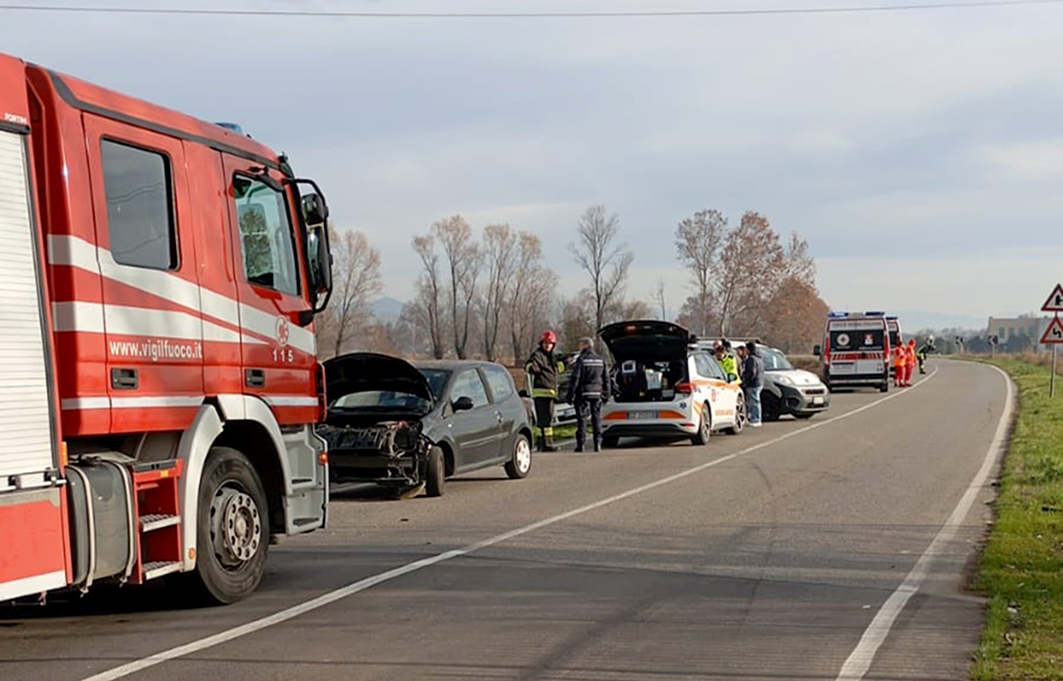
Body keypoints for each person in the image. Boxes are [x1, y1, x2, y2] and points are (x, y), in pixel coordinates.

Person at [525, 330, 566, 452]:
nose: (547, 345)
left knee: (545, 420)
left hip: (550, 392)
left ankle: (541, 443)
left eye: (550, 343)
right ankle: (547, 443)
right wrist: (532, 367)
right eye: (546, 343)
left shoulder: (553, 357)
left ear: (553, 345)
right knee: (546, 419)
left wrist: (566, 363)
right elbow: (527, 366)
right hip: (541, 391)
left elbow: (558, 369)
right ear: (542, 343)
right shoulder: (537, 355)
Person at [566, 337, 607, 452]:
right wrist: (606, 394)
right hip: (597, 393)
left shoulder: (581, 360)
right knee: (596, 418)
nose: (579, 348)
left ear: (585, 346)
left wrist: (570, 395)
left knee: (582, 419)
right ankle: (597, 444)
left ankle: (581, 444)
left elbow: (575, 378)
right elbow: (606, 378)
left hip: (583, 393)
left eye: (580, 345)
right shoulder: (601, 359)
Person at [741, 341, 764, 427]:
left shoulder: (752, 359)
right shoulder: (759, 358)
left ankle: (756, 419)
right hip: (759, 382)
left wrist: (745, 380)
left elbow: (751, 372)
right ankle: (756, 418)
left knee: (754, 402)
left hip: (753, 383)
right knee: (755, 401)